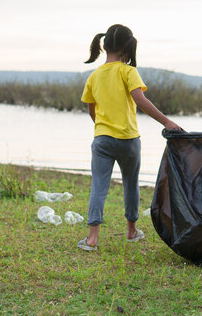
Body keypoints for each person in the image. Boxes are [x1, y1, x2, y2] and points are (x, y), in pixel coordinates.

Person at [78, 24, 180, 251]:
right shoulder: (128, 71)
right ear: (126, 47)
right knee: (130, 184)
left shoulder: (94, 76)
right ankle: (132, 231)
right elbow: (140, 100)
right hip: (129, 140)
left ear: (104, 47)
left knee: (99, 186)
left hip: (102, 139)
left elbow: (91, 110)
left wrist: (103, 128)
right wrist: (167, 121)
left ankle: (92, 238)